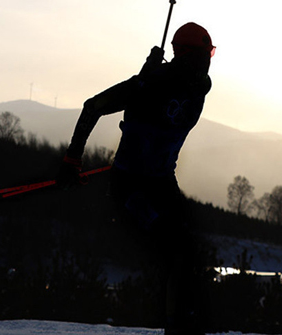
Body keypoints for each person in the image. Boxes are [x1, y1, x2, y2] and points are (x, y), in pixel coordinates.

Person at [57, 22, 214, 335]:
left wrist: (146, 76)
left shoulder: (161, 83)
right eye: (207, 53)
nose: (210, 60)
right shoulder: (186, 88)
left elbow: (96, 107)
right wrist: (72, 158)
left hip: (156, 184)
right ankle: (178, 326)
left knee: (186, 252)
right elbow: (95, 106)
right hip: (134, 187)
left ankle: (182, 323)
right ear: (192, 55)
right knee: (181, 250)